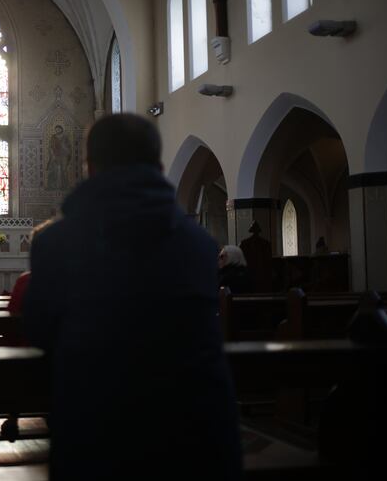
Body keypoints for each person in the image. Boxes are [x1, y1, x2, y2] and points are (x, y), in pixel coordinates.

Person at [23, 113, 242, 480]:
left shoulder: (54, 242)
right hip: (198, 440)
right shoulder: (199, 244)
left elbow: (40, 330)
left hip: (97, 439)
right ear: (158, 167)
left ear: (89, 167)